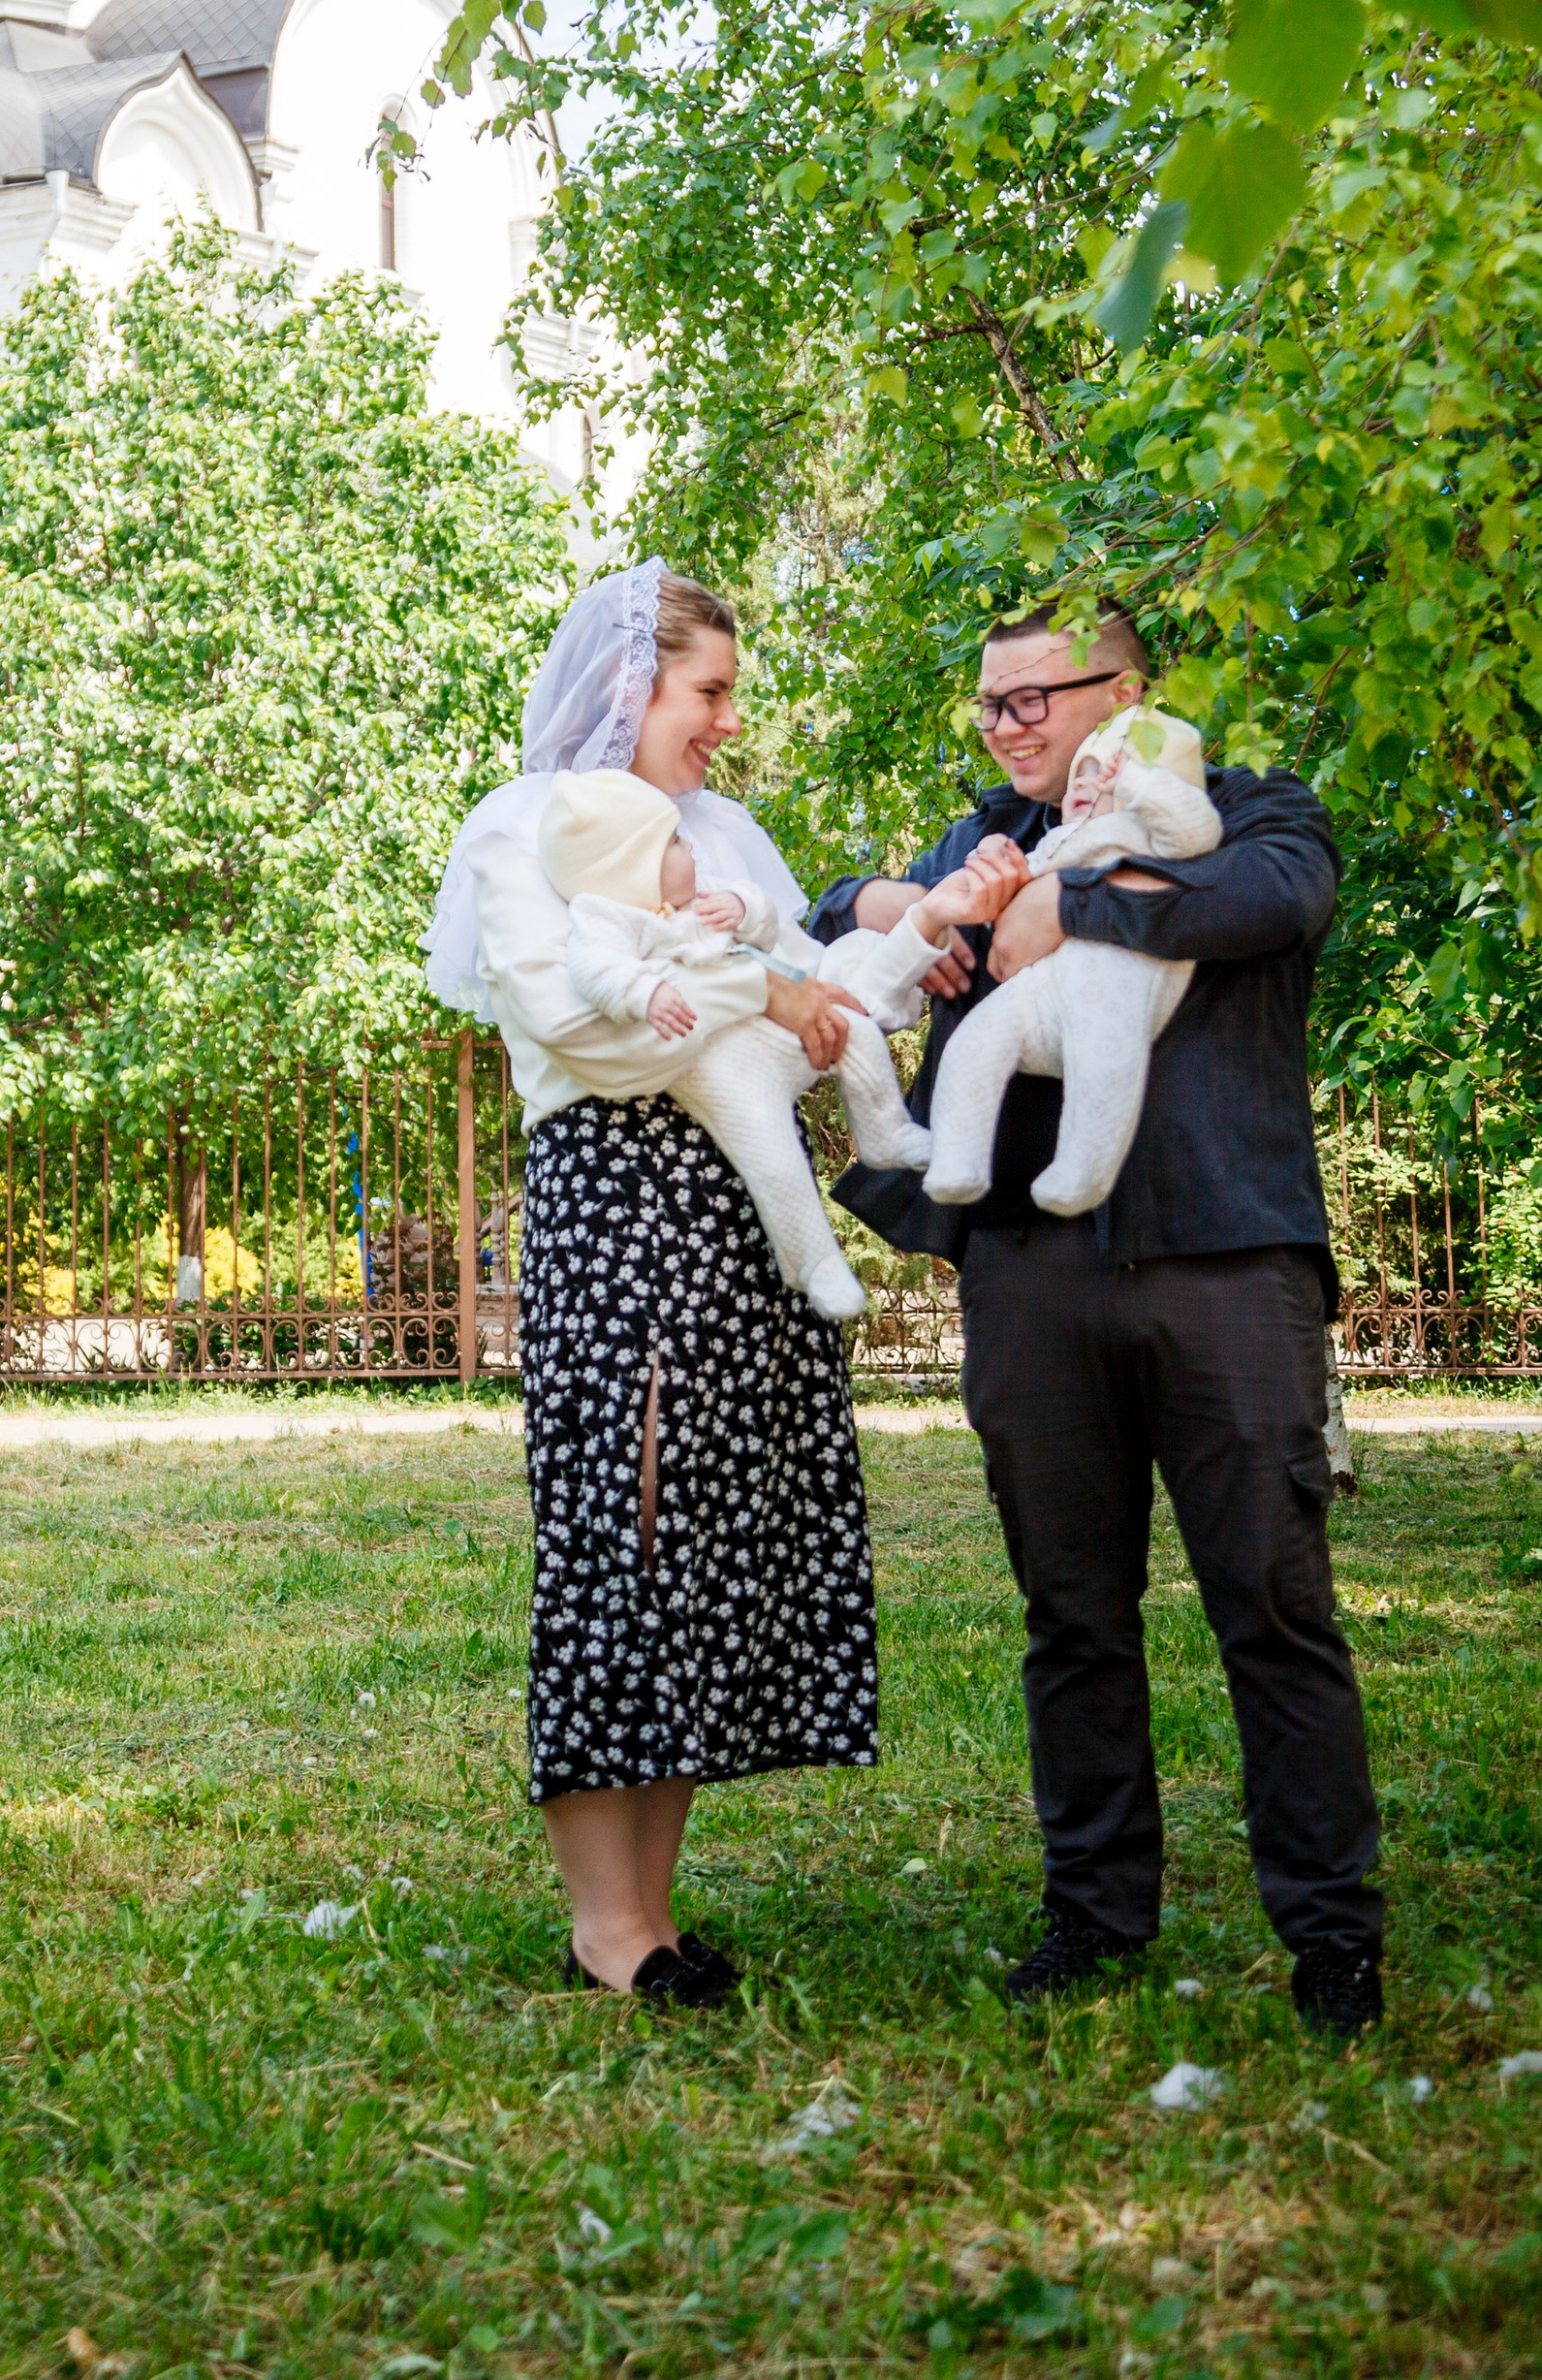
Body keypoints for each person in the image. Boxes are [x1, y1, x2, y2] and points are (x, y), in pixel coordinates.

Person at [425, 564, 1024, 2004]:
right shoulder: (525, 824)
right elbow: (582, 1027)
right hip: (618, 1207)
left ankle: (652, 1910)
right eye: (707, 691)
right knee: (622, 1532)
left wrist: (916, 936)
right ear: (630, 685)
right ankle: (605, 1928)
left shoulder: (722, 836)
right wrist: (769, 993)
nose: (725, 721)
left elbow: (832, 1008)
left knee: (705, 1542)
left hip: (741, 1215)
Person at [815, 599, 1386, 2040]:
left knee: (1274, 1605)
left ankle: (1331, 1936)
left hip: (1226, 1263)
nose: (1007, 727)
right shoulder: (991, 839)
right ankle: (1094, 1913)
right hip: (1031, 1274)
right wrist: (922, 918)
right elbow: (834, 906)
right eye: (989, 704)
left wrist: (1075, 908)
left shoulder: (1251, 807)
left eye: (1034, 698)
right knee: (1070, 1613)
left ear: (1126, 691)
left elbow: (1275, 904)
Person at [540, 766, 998, 1318]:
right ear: (633, 862)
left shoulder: (701, 894)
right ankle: (815, 1263)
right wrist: (643, 993)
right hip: (719, 1066)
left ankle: (885, 1131)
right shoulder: (608, 915)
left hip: (779, 1026)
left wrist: (743, 907)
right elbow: (593, 968)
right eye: (675, 843)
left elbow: (764, 927)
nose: (690, 847)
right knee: (773, 1156)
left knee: (852, 1028)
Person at [918, 706, 1219, 1220]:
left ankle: (1081, 1173)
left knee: (1103, 1064)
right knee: (974, 1040)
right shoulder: (1060, 840)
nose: (1084, 783)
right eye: (1082, 773)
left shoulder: (1153, 840)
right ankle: (956, 1159)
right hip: (1042, 990)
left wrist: (1135, 783)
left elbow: (1197, 828)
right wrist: (996, 862)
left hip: (1114, 984)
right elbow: (1010, 904)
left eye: (1102, 774)